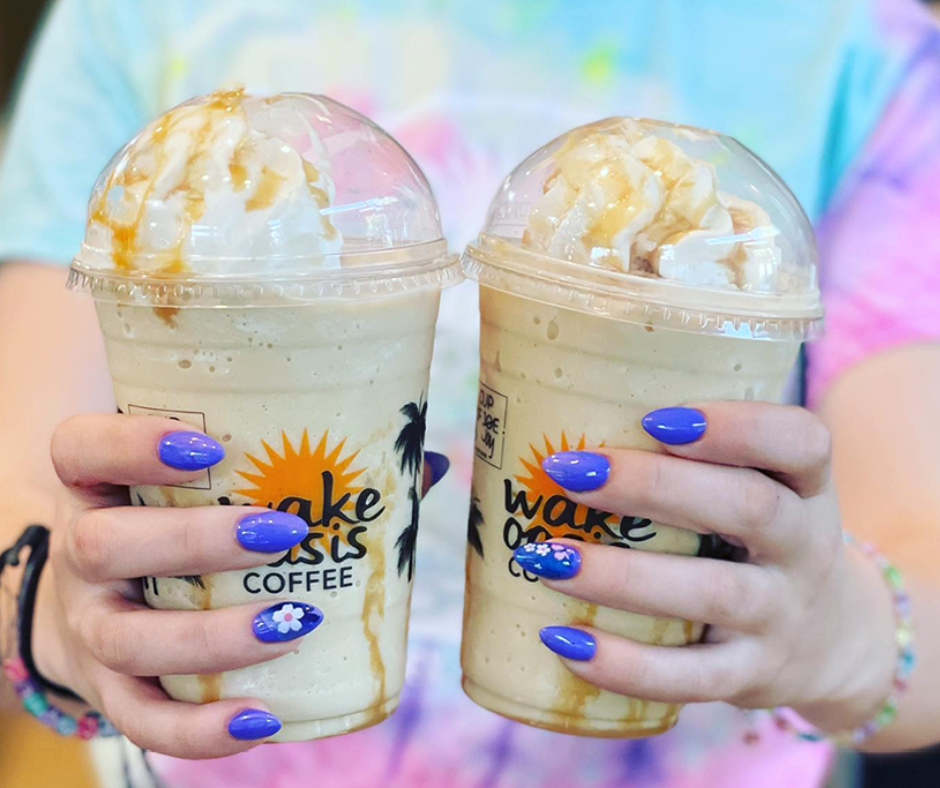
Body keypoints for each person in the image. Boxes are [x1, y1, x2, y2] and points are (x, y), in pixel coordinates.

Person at [1, 1, 940, 786]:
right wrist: (53, 612)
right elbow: (16, 491)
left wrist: (844, 632)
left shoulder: (866, 48)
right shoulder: (134, 15)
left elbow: (924, 555)